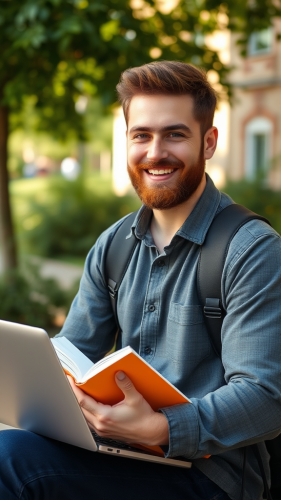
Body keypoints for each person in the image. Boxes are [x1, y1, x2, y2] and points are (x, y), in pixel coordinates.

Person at [1, 61, 281, 500]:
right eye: (141, 135)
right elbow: (72, 354)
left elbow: (266, 398)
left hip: (209, 477)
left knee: (11, 460)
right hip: (121, 452)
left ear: (208, 143)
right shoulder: (114, 244)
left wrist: (161, 427)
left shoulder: (252, 250)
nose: (155, 153)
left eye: (174, 134)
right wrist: (60, 389)